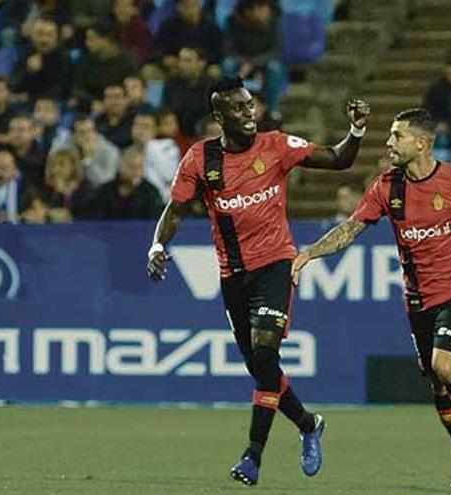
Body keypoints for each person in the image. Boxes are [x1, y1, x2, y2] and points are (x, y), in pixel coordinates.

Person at [146, 77, 370, 486]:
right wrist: (157, 248)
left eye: (251, 105)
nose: (249, 113)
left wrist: (356, 130)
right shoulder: (201, 159)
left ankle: (253, 456)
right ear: (219, 116)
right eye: (238, 107)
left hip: (276, 265)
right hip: (233, 276)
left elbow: (338, 159)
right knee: (260, 368)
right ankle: (307, 423)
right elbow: (175, 210)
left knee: (265, 357)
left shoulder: (277, 146)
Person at [291, 108, 451, 489]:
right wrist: (311, 251)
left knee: (444, 365)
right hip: (418, 299)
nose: (389, 143)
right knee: (437, 385)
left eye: (397, 136)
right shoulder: (386, 187)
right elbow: (351, 228)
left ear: (422, 143)